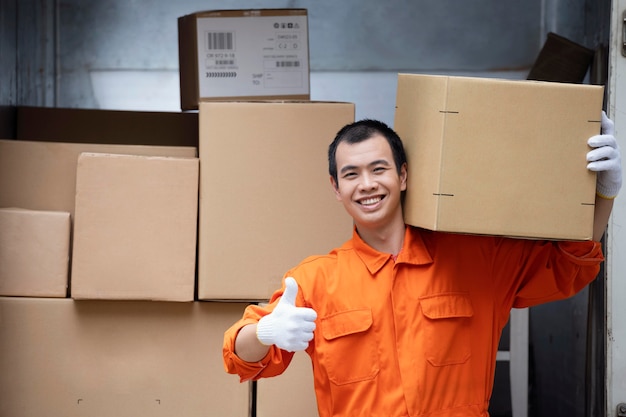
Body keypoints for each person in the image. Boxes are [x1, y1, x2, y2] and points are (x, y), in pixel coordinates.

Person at [223, 112, 622, 417]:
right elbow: (239, 356)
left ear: (403, 175)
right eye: (351, 174)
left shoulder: (477, 260)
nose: (366, 184)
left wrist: (602, 194)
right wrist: (265, 331)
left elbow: (568, 265)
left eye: (378, 169)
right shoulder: (314, 280)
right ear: (336, 188)